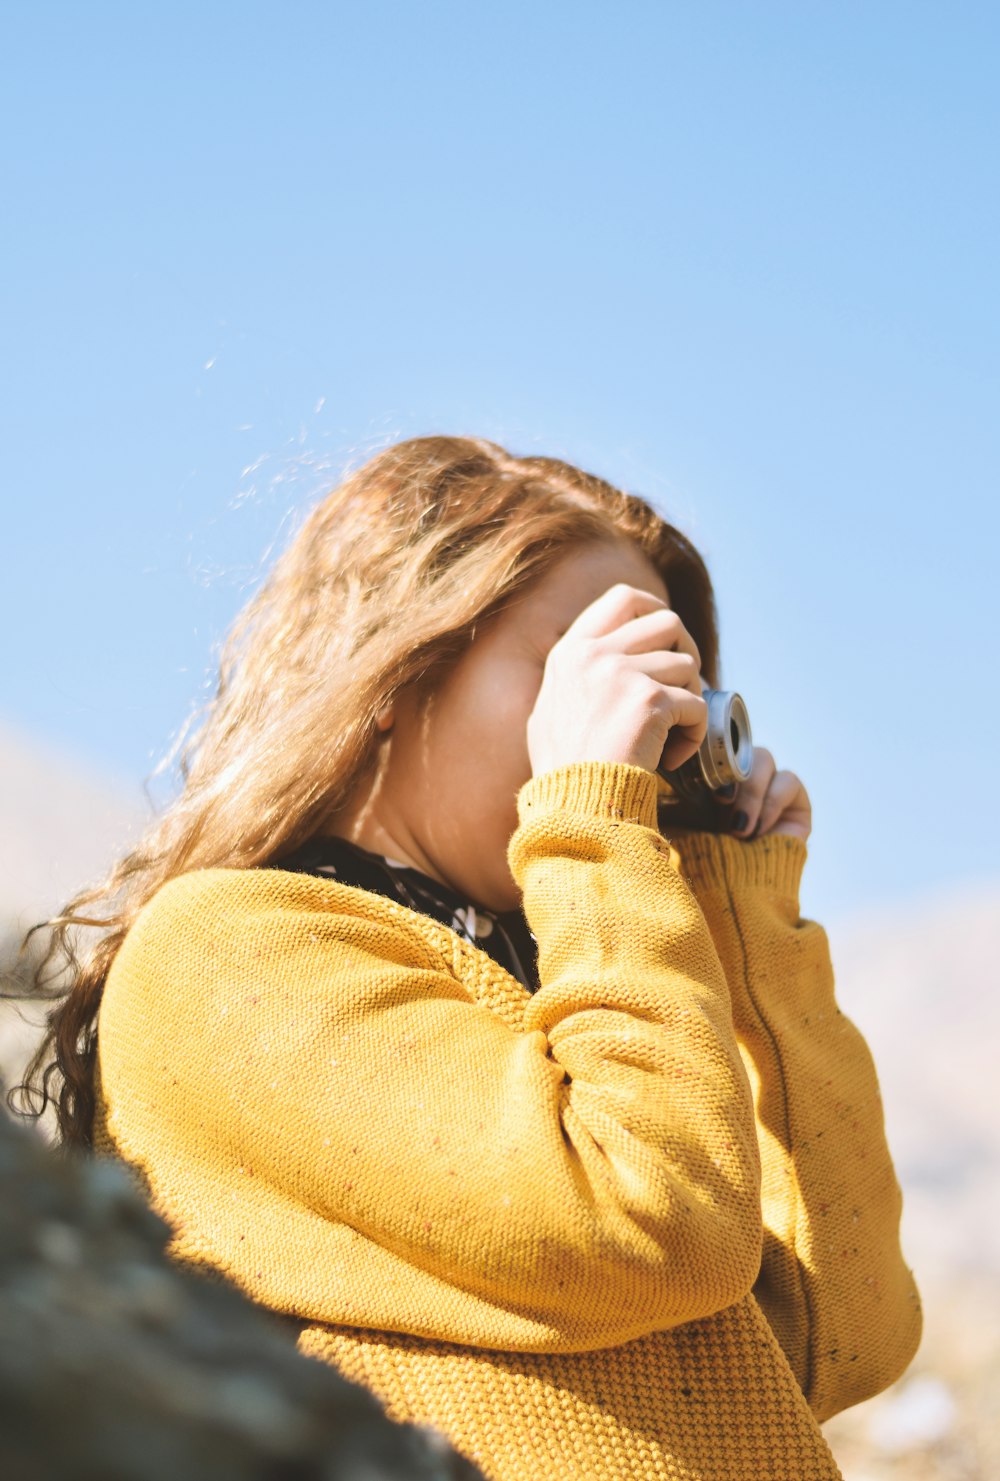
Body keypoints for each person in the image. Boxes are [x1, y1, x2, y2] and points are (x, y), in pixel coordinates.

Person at [13, 436, 922, 1479]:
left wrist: (747, 922)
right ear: (395, 668)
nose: (635, 723)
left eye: (666, 693)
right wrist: (592, 814)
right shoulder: (230, 947)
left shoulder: (591, 992)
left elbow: (844, 1333)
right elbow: (650, 1220)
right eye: (579, 668)